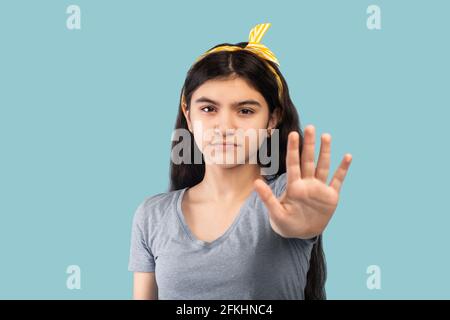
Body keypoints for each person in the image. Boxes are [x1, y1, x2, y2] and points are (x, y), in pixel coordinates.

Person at [128, 23, 352, 300]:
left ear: (272, 119)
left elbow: (291, 218)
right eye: (208, 109)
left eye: (245, 110)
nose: (225, 126)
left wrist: (302, 227)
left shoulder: (287, 196)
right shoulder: (152, 215)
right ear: (188, 114)